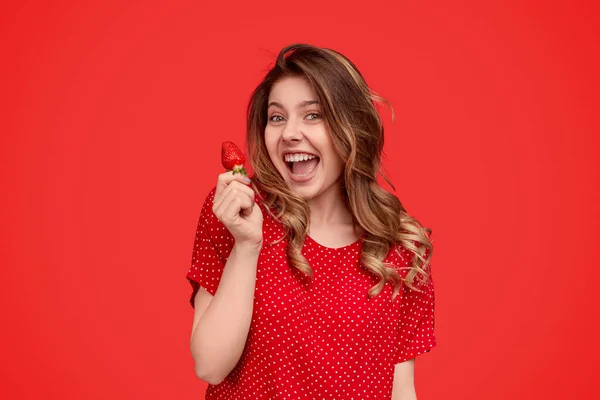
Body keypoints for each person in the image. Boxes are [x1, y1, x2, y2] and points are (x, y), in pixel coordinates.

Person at [186, 43, 436, 400]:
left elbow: (401, 389)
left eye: (313, 115)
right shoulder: (238, 213)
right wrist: (246, 245)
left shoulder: (400, 246)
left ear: (351, 127)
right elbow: (209, 366)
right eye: (277, 117)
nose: (289, 133)